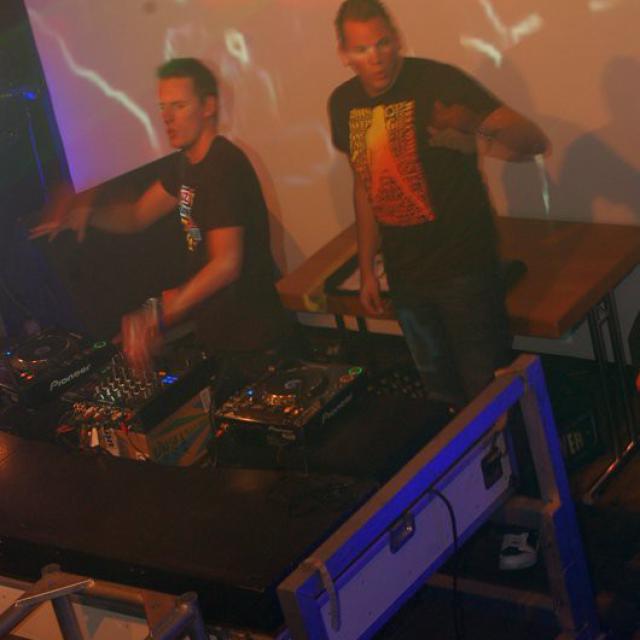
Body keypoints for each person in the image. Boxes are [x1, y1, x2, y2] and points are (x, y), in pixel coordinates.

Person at [328, 0, 550, 411]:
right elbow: (364, 185)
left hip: (464, 269)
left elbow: (533, 141)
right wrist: (367, 268)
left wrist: (472, 124)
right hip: (405, 276)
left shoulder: (437, 81)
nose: (376, 57)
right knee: (440, 401)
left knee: (489, 396)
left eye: (382, 43)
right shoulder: (343, 104)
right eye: (361, 49)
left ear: (396, 39)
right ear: (344, 54)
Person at [31, 58, 290, 385]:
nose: (167, 117)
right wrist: (86, 215)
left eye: (179, 106)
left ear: (208, 106)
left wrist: (156, 316)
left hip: (254, 337)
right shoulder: (185, 165)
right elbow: (137, 215)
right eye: (163, 107)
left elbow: (226, 263)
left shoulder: (223, 165)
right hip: (221, 335)